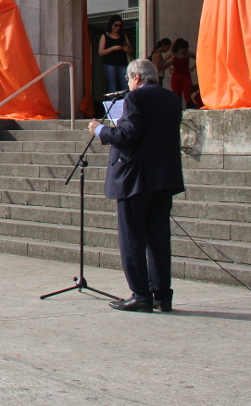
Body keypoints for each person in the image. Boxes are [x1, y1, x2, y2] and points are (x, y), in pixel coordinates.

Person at [88, 58, 185, 313]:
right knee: (159, 240)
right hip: (163, 178)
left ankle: (141, 294)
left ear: (137, 78)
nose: (129, 84)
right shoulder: (172, 99)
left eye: (129, 79)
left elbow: (128, 135)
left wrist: (101, 130)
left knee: (132, 238)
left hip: (135, 179)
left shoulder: (135, 98)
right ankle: (162, 295)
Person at [99, 15, 134, 95]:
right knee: (113, 87)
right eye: (116, 25)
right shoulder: (105, 36)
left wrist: (127, 49)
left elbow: (130, 50)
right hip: (110, 64)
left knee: (125, 86)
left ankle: (127, 105)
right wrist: (113, 48)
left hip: (122, 63)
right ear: (111, 25)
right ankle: (113, 106)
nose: (118, 28)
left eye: (120, 25)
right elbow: (101, 52)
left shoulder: (123, 35)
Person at [167, 38, 197, 107]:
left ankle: (190, 110)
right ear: (178, 49)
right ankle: (177, 111)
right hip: (176, 76)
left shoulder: (189, 54)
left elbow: (198, 58)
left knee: (188, 94)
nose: (184, 52)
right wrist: (169, 68)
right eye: (182, 50)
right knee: (176, 95)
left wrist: (193, 67)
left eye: (185, 50)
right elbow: (163, 62)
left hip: (186, 76)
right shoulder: (172, 54)